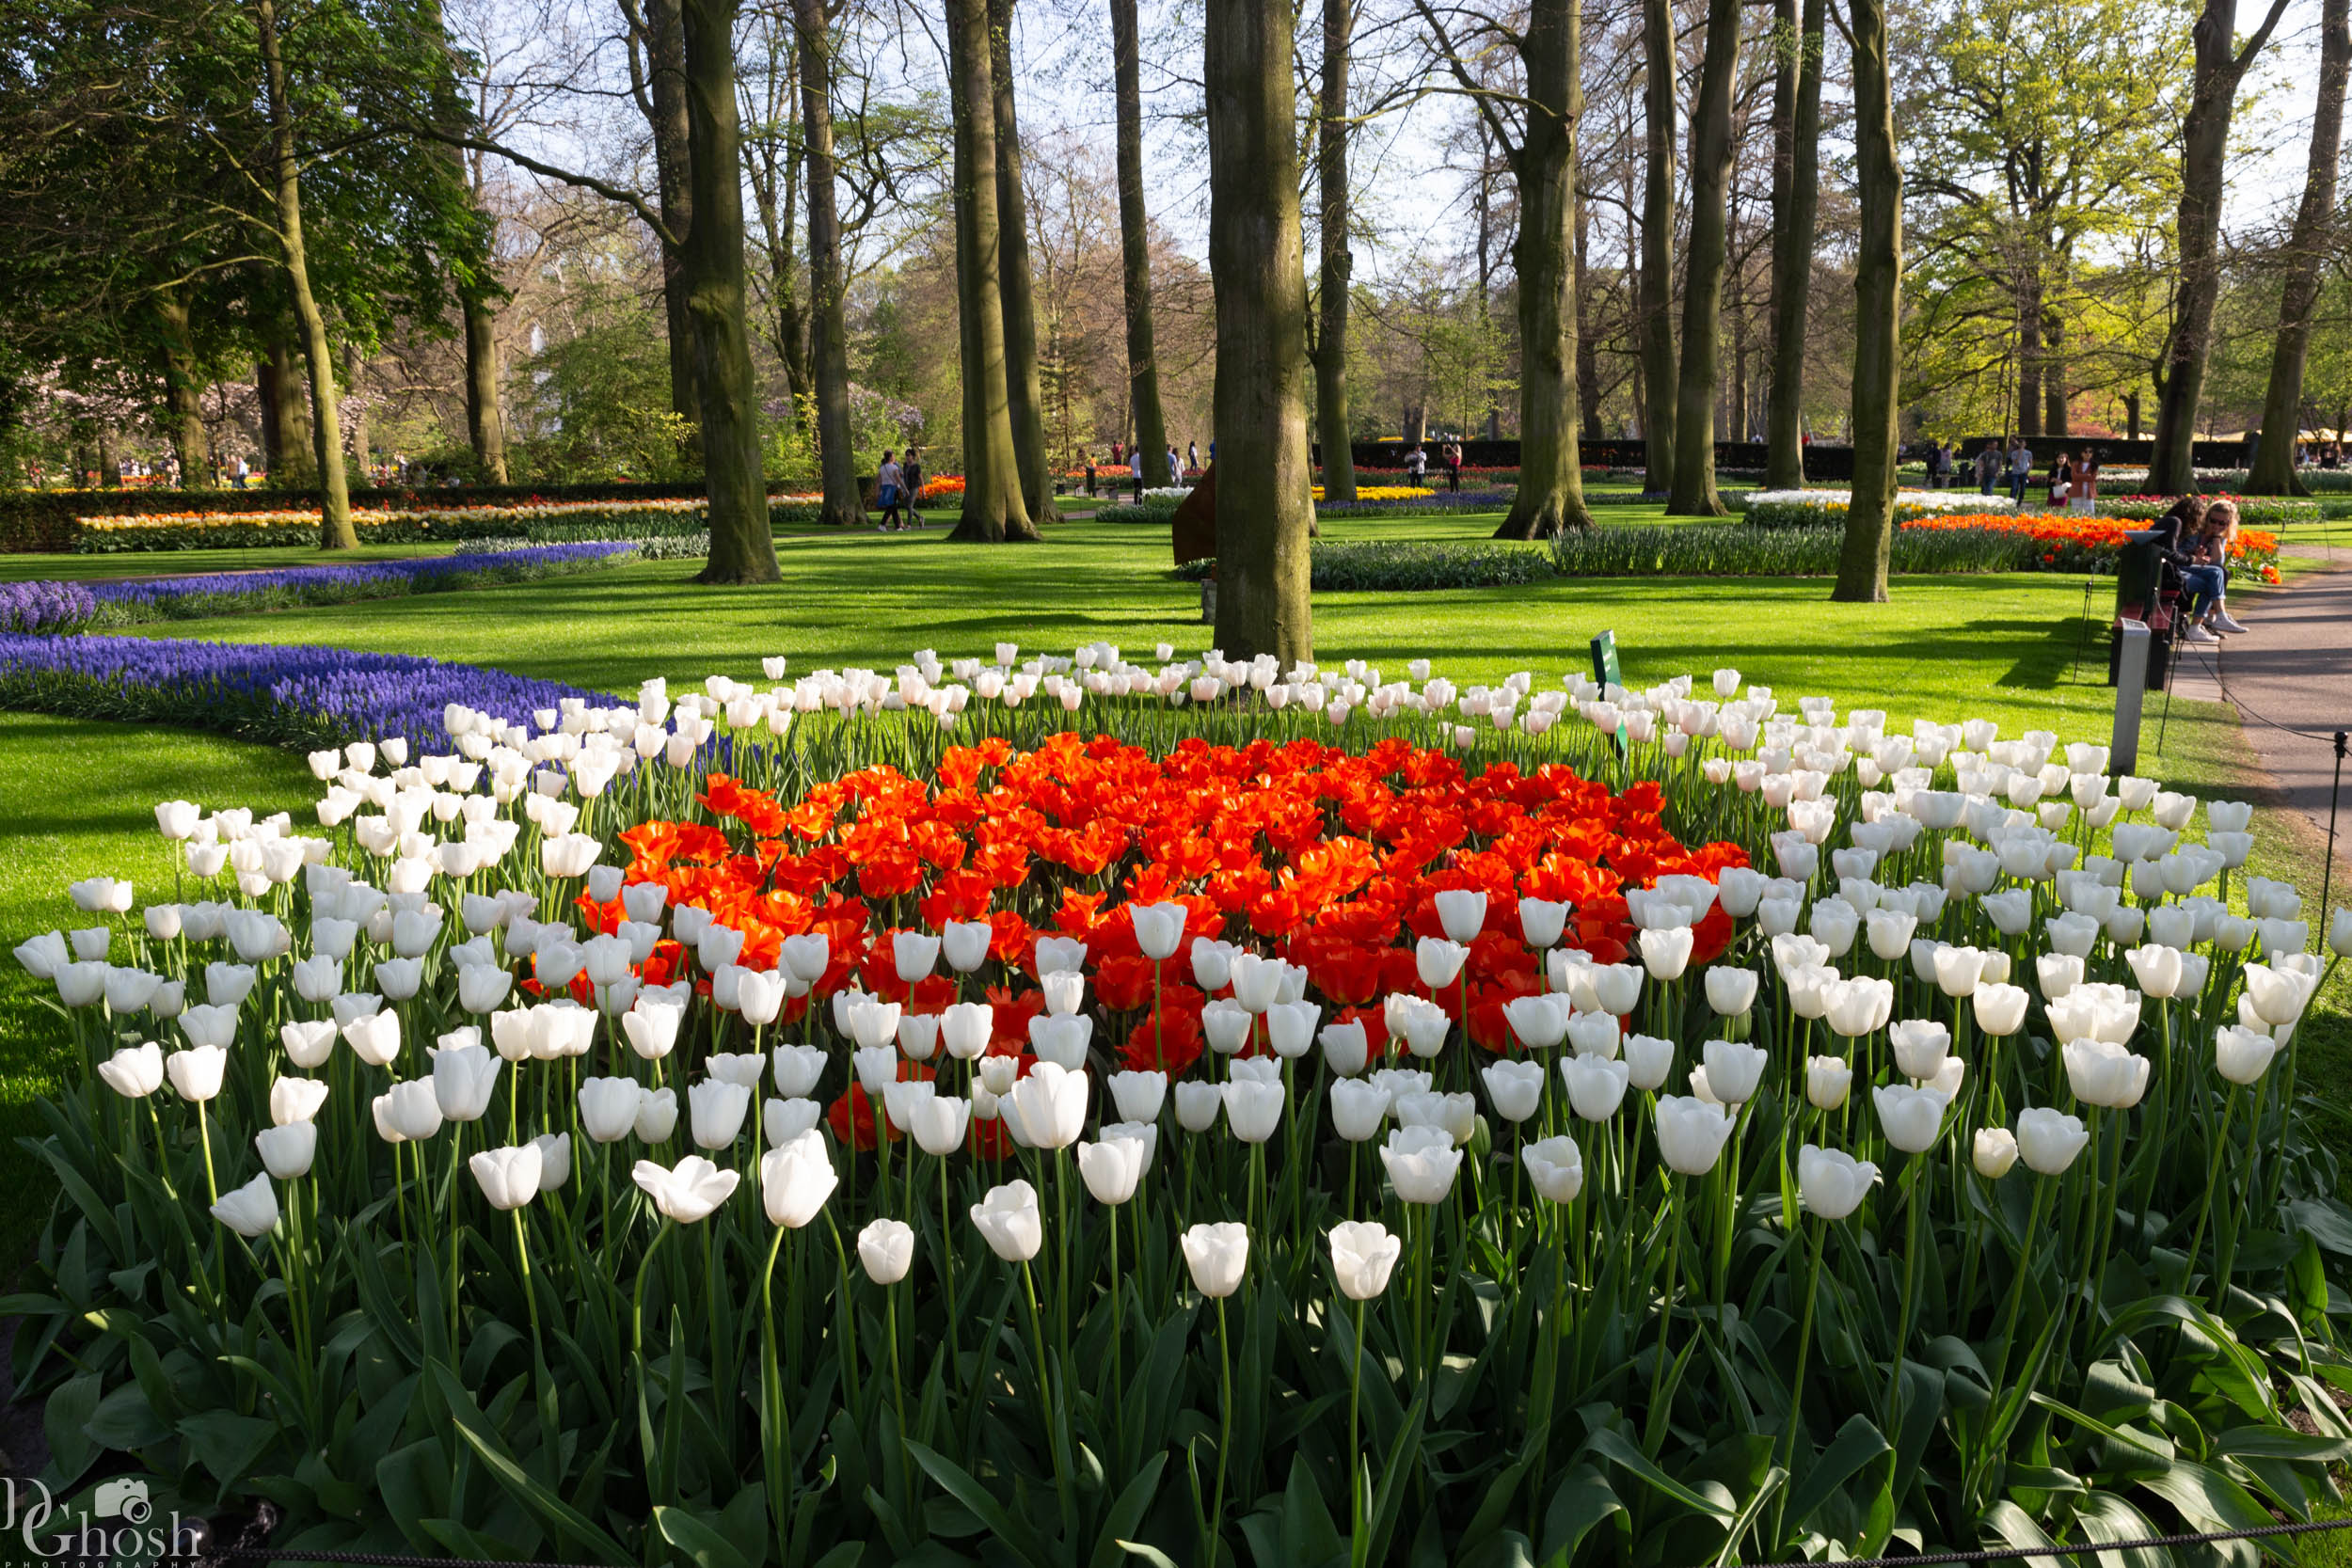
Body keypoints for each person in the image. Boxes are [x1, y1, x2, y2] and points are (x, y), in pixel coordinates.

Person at [875, 449, 904, 531]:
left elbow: (878, 481)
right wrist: (905, 489)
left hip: (885, 489)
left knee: (893, 508)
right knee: (891, 507)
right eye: (893, 455)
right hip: (892, 488)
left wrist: (877, 491)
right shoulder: (894, 467)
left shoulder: (882, 468)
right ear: (890, 457)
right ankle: (882, 524)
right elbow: (898, 479)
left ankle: (898, 526)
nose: (894, 457)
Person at [2070, 448, 2100, 515]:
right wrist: (2087, 475)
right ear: (2082, 453)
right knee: (2076, 512)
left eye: (2090, 452)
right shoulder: (2075, 463)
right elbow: (2074, 476)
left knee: (2090, 513)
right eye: (2086, 452)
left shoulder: (2094, 465)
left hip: (2089, 491)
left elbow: (2092, 478)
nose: (2088, 453)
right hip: (2076, 491)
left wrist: (2079, 476)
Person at [902, 447, 926, 529]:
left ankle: (909, 525)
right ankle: (920, 518)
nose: (907, 457)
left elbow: (921, 479)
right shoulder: (905, 465)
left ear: (912, 456)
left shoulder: (916, 466)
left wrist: (923, 490)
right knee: (906, 505)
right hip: (907, 487)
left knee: (909, 505)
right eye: (906, 455)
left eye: (908, 455)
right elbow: (903, 476)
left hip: (914, 487)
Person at [2007, 436, 2032, 503]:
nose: (2021, 445)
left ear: (2025, 444)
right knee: (2014, 487)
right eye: (2020, 444)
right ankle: (2012, 501)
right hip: (2015, 473)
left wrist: (2028, 470)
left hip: (2024, 473)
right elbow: (2016, 462)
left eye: (2023, 444)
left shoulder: (2028, 453)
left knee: (2023, 489)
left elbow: (2031, 462)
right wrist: (2020, 453)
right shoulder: (2014, 453)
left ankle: (2020, 501)